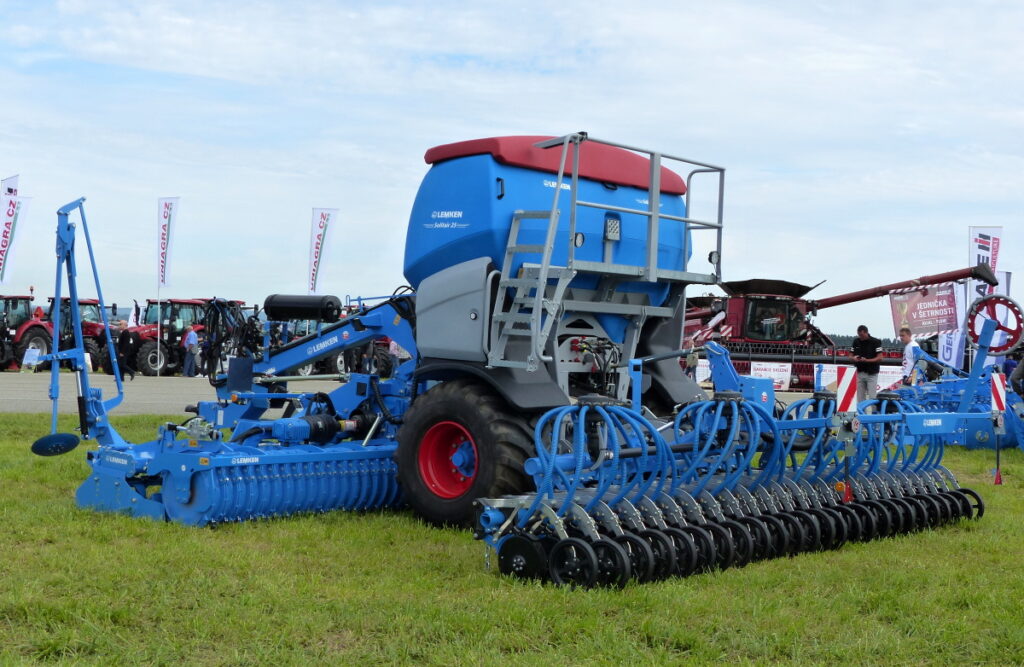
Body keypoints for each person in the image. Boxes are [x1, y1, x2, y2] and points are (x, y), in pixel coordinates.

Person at [851, 324, 883, 403]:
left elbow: (880, 357)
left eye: (862, 335)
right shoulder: (856, 341)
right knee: (860, 397)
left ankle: (873, 411)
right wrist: (853, 358)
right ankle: (861, 410)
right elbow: (850, 355)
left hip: (872, 373)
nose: (860, 337)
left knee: (872, 397)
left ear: (866, 332)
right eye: (859, 335)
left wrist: (867, 360)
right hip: (860, 372)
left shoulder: (876, 342)